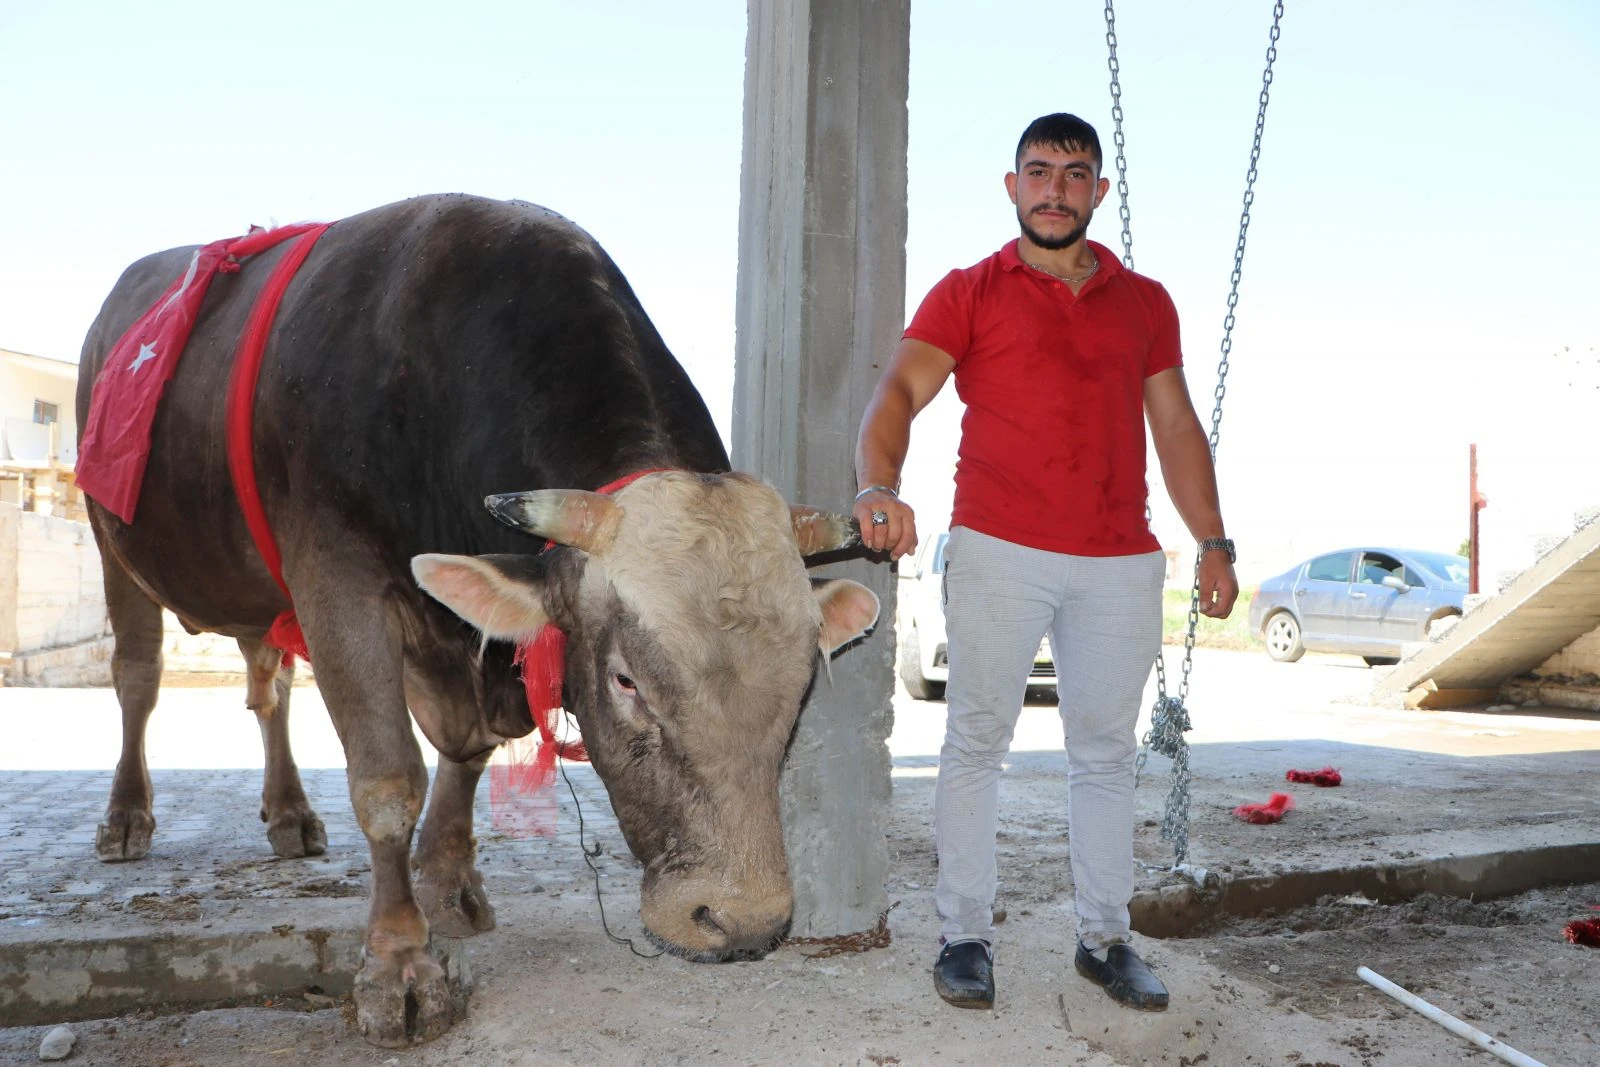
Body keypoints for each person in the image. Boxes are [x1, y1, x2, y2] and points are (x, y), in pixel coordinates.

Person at [853, 113, 1238, 1013]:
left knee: (1103, 755)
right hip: (999, 549)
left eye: (1073, 174)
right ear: (1012, 186)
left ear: (1098, 190)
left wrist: (1213, 537)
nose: (1054, 190)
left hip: (1119, 561)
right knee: (976, 741)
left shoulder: (1147, 303)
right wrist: (878, 484)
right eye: (1038, 172)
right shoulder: (969, 291)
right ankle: (964, 937)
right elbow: (899, 389)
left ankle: (1105, 939)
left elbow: (1176, 426)